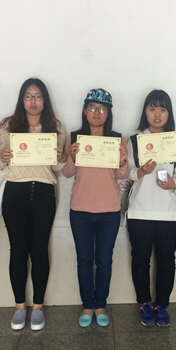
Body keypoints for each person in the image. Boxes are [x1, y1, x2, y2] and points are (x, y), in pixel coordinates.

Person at [0, 78, 66, 331]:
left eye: (38, 96)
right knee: (17, 250)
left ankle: (37, 307)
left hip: (44, 192)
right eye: (28, 96)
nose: (33, 101)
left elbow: (57, 167)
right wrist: (2, 156)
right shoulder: (8, 125)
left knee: (39, 250)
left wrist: (61, 156)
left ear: (45, 100)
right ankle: (19, 306)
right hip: (15, 191)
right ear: (21, 99)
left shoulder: (55, 126)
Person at [62, 88, 129, 327]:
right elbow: (66, 173)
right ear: (85, 111)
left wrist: (122, 161)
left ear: (108, 113)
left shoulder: (117, 139)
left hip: (109, 210)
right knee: (83, 259)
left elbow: (122, 175)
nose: (97, 112)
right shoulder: (74, 138)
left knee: (104, 260)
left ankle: (100, 304)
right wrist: (72, 157)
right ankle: (86, 305)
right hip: (80, 209)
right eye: (92, 107)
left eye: (102, 109)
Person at [126, 90, 176, 327]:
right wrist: (141, 171)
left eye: (163, 109)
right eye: (152, 109)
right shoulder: (135, 141)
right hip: (140, 210)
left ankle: (162, 305)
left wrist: (174, 184)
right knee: (140, 260)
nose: (157, 114)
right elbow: (128, 172)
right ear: (145, 112)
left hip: (168, 212)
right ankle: (144, 303)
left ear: (169, 113)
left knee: (166, 262)